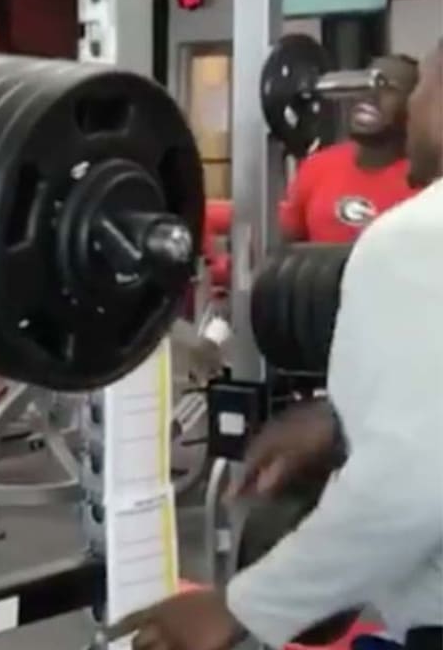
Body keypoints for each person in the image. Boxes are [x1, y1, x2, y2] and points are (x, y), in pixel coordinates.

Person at [110, 40, 443, 650]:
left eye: (416, 89)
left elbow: (411, 482)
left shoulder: (417, 237)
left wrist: (243, 607)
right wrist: (344, 424)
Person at [279, 55, 421, 243]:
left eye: (388, 87)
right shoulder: (318, 166)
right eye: (366, 84)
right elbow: (284, 246)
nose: (370, 95)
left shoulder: (426, 179)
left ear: (416, 105)